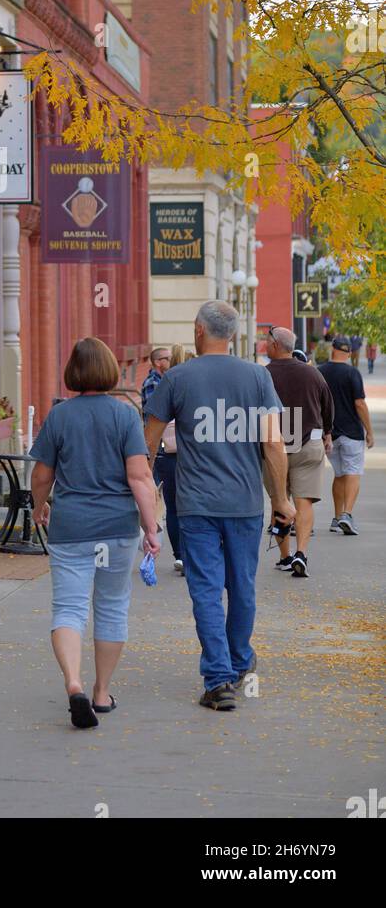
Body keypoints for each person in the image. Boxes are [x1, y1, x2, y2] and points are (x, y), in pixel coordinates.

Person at [143, 301, 294, 713]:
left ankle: (218, 679)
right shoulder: (257, 377)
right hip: (244, 503)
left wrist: (145, 491)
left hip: (196, 504)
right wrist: (280, 499)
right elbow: (273, 443)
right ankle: (239, 660)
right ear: (233, 334)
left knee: (206, 590)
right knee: (242, 585)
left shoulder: (176, 378)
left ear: (198, 330)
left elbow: (149, 441)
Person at [30, 337, 160, 730]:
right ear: (109, 371)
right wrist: (151, 527)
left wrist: (39, 506)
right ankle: (102, 693)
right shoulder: (125, 415)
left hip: (71, 527)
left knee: (68, 609)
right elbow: (139, 477)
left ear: (73, 371)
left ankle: (73, 682)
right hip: (116, 529)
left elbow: (42, 474)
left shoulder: (59, 416)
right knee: (112, 606)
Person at [264, 326, 334, 578]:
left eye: (266, 341)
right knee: (304, 502)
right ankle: (301, 553)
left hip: (273, 447)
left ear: (275, 345)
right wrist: (328, 433)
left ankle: (285, 556)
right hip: (308, 444)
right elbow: (327, 405)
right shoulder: (312, 373)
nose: (264, 345)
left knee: (279, 500)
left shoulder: (263, 374)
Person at [319, 335, 374, 535]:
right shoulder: (352, 373)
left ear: (332, 349)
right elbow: (360, 403)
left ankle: (336, 517)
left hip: (329, 434)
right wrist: (369, 431)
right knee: (353, 472)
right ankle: (347, 515)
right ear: (349, 353)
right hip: (351, 432)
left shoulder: (320, 371)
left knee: (339, 474)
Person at [152, 343, 188, 576]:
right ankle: (189, 554)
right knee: (188, 506)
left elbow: (153, 421)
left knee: (173, 507)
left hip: (167, 453)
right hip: (191, 454)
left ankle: (181, 556)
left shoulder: (164, 385)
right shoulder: (192, 384)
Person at [140, 345, 171, 414]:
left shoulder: (163, 379)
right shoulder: (152, 382)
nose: (171, 361)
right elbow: (154, 410)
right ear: (157, 363)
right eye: (168, 359)